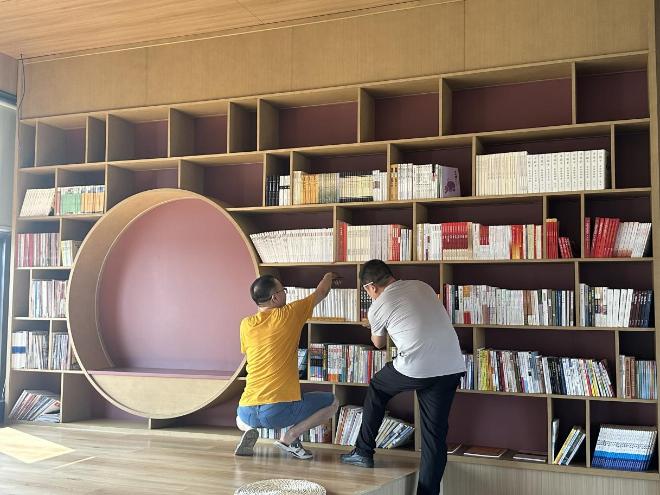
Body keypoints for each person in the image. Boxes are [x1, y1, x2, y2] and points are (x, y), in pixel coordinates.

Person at [340, 260, 465, 495]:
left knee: (377, 387)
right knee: (434, 436)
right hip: (451, 365)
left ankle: (363, 452)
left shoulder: (377, 306)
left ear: (370, 287)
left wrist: (373, 323)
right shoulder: (422, 285)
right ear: (390, 276)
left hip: (417, 367)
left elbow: (378, 343)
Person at [234, 272, 340, 460]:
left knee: (240, 418)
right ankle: (290, 437)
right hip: (276, 412)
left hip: (246, 409)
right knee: (333, 403)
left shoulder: (246, 324)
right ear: (275, 298)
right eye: (283, 290)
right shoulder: (289, 313)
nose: (285, 293)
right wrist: (329, 275)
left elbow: (248, 353)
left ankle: (249, 428)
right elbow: (321, 292)